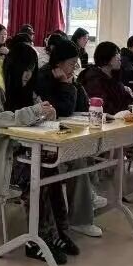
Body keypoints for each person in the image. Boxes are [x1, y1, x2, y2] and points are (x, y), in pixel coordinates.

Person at [0, 42, 65, 263]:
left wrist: (47, 111)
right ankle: (37, 240)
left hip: (14, 151)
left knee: (52, 170)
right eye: (25, 70)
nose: (28, 75)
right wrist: (34, 112)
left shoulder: (21, 85)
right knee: (36, 174)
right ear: (14, 67)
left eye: (32, 70)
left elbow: (35, 108)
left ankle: (59, 232)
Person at [35, 39, 101, 240]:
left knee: (86, 152)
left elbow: (82, 105)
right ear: (59, 62)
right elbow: (62, 109)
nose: (75, 67)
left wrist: (72, 83)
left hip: (60, 135)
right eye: (72, 63)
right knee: (78, 159)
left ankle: (87, 197)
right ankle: (80, 219)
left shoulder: (67, 76)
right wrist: (65, 84)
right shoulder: (44, 77)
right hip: (44, 140)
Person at [79, 41, 133, 115]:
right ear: (106, 58)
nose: (119, 57)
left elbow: (128, 102)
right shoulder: (93, 79)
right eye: (116, 54)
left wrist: (127, 94)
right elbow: (105, 108)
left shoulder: (114, 77)